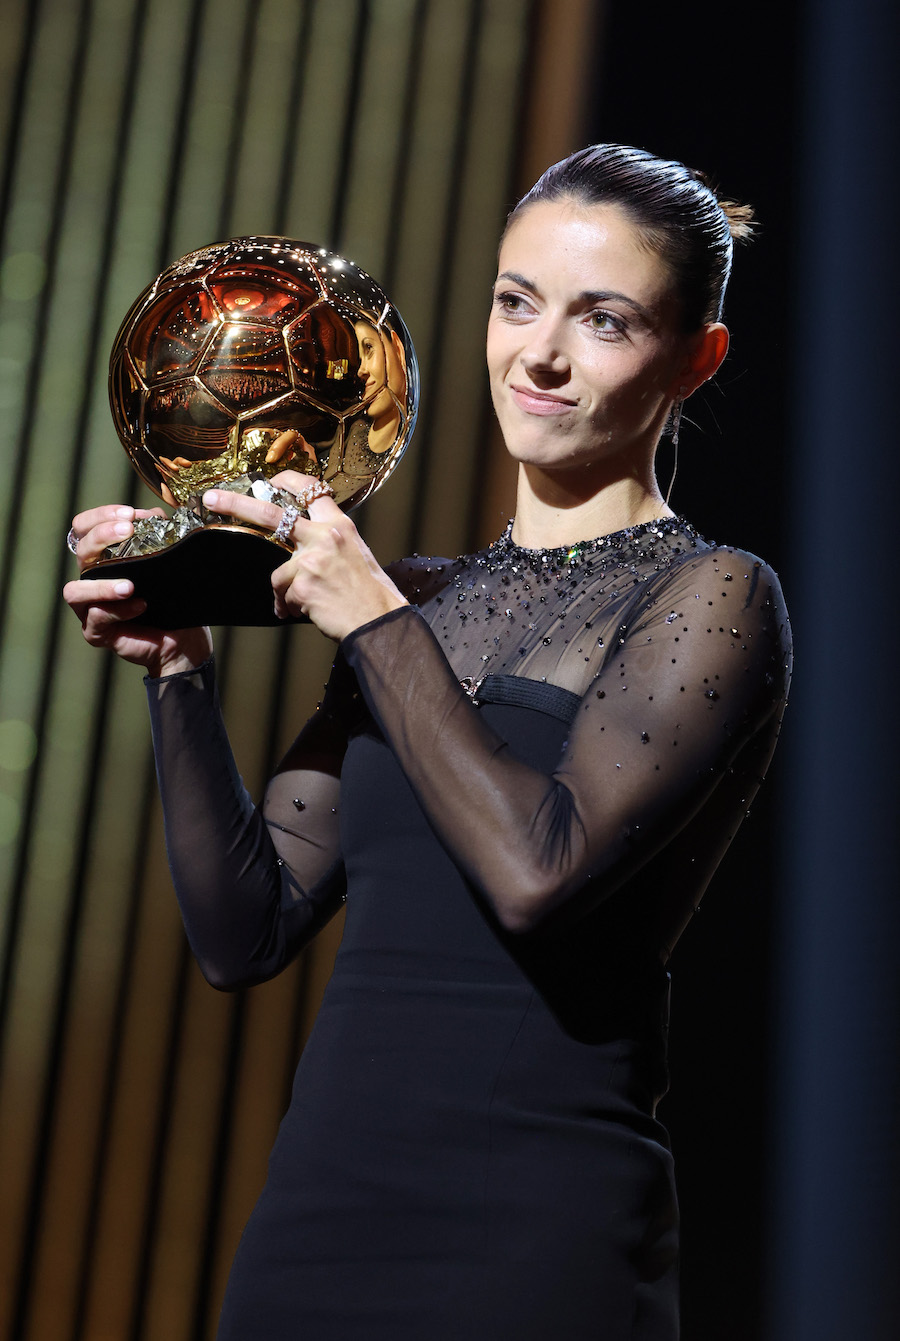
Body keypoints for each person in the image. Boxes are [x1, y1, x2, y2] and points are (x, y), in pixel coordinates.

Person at [64, 145, 792, 1340]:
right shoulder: (420, 600)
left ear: (694, 359)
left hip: (533, 1240)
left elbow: (538, 872)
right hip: (316, 1227)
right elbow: (243, 932)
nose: (539, 356)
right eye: (517, 302)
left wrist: (374, 623)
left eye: (602, 321)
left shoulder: (711, 596)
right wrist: (180, 672)